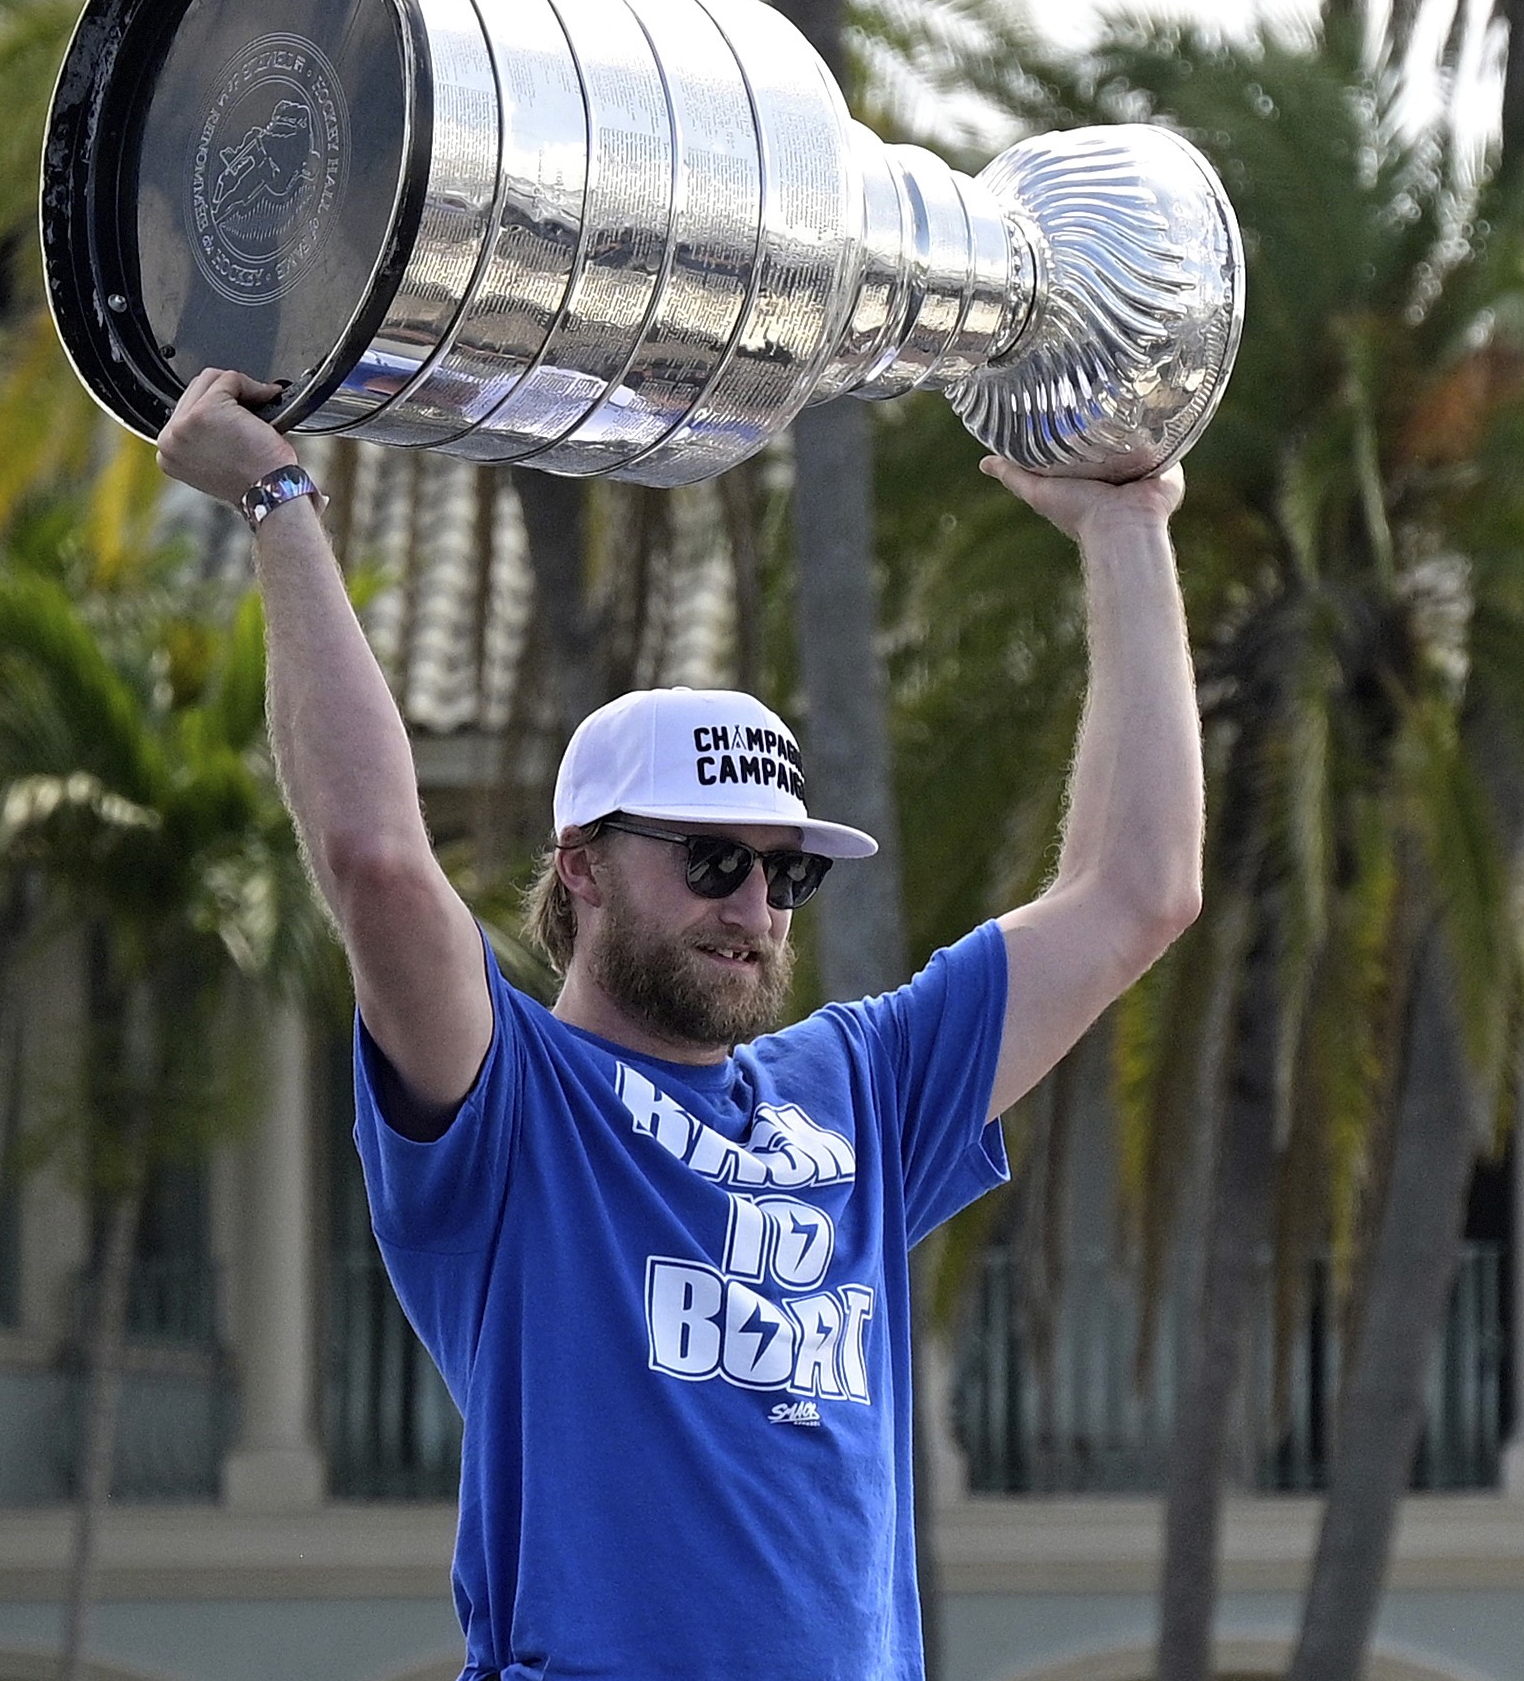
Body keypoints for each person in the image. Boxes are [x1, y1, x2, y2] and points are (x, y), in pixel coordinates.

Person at [155, 368, 1204, 1681]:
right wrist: (275, 496)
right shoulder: (512, 1095)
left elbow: (1136, 893)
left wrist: (1126, 531)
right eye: (710, 861)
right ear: (581, 867)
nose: (756, 905)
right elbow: (375, 856)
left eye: (787, 871)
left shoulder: (860, 1084)